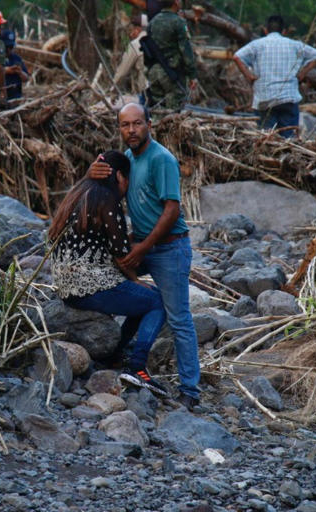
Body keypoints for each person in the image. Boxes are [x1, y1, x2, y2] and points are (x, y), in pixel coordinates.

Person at [88, 103, 201, 409]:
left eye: (137, 124)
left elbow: (172, 209)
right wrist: (91, 172)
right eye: (125, 125)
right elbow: (104, 192)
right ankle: (120, 354)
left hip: (168, 249)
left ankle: (190, 389)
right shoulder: (127, 159)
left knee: (178, 317)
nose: (131, 130)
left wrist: (141, 248)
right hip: (140, 244)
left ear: (149, 124)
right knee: (127, 294)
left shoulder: (161, 159)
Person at [50, 151, 168, 396]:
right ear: (121, 177)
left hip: (66, 286)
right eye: (128, 181)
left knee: (141, 299)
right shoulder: (107, 199)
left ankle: (115, 355)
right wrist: (137, 275)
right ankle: (137, 368)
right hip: (90, 286)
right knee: (157, 301)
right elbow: (121, 254)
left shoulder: (79, 193)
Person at [233, 15, 316, 138]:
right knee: (288, 140)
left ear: (265, 30)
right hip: (288, 98)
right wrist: (302, 74)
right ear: (284, 31)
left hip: (264, 99)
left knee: (267, 139)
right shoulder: (295, 45)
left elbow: (237, 57)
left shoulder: (256, 45)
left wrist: (249, 76)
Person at [144, 0, 197, 111]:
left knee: (156, 111)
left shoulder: (152, 22)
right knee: (174, 114)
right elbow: (186, 51)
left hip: (153, 73)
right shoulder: (179, 23)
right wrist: (192, 75)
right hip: (172, 75)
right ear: (176, 3)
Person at [114, 17, 148, 102]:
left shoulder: (136, 44)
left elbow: (122, 72)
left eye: (132, 30)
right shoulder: (159, 40)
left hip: (147, 91)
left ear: (138, 29)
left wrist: (113, 91)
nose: (131, 34)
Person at [1, 29, 29, 101]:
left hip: (16, 96)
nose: (9, 50)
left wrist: (20, 72)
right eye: (6, 47)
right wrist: (6, 70)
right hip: (1, 95)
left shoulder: (17, 58)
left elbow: (26, 78)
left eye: (11, 47)